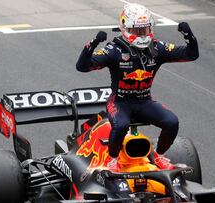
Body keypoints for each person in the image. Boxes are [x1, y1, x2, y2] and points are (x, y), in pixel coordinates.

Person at [76, 3, 199, 171]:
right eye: (137, 30)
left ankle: (158, 156)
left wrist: (189, 35)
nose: (142, 35)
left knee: (172, 122)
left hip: (144, 101)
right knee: (121, 126)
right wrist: (92, 43)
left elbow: (191, 54)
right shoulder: (114, 50)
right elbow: (82, 66)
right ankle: (112, 161)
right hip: (119, 102)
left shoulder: (157, 48)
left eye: (145, 29)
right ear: (126, 28)